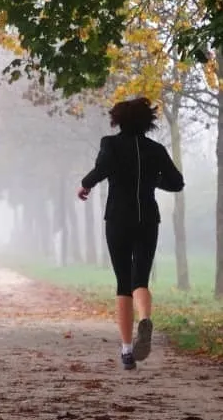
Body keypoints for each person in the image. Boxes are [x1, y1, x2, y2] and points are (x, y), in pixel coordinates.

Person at [77, 96, 184, 370]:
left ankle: (126, 351)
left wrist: (85, 185)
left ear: (118, 120)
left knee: (123, 283)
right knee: (141, 280)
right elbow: (176, 182)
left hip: (118, 219)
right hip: (147, 219)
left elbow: (103, 169)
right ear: (147, 121)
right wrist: (151, 179)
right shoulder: (156, 149)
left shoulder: (110, 144)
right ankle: (145, 318)